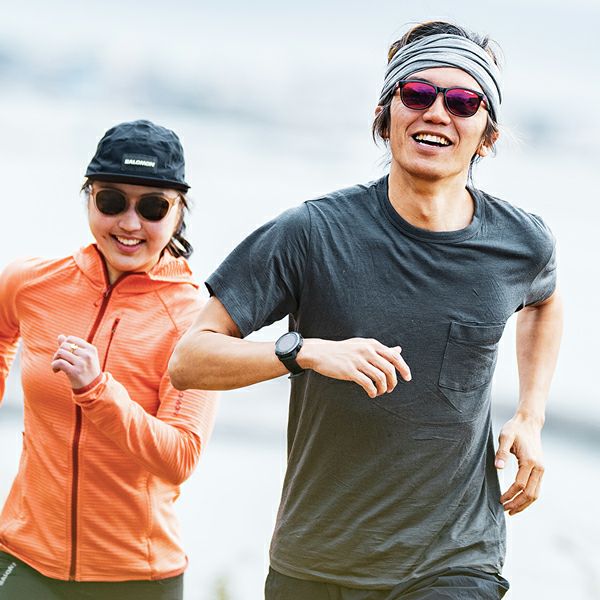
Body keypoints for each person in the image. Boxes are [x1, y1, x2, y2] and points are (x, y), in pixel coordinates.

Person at [169, 21, 562, 600]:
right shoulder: (311, 233)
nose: (436, 113)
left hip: (455, 560)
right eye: (417, 94)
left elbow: (544, 300)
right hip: (317, 562)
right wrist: (304, 352)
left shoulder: (520, 243)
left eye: (462, 102)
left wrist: (530, 415)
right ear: (385, 114)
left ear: (487, 134)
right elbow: (188, 359)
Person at [0, 120, 218, 599]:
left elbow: (180, 457)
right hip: (23, 556)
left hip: (136, 576)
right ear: (89, 198)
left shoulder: (195, 322)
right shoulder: (32, 283)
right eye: (112, 201)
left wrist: (97, 391)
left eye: (153, 207)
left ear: (179, 211)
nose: (130, 223)